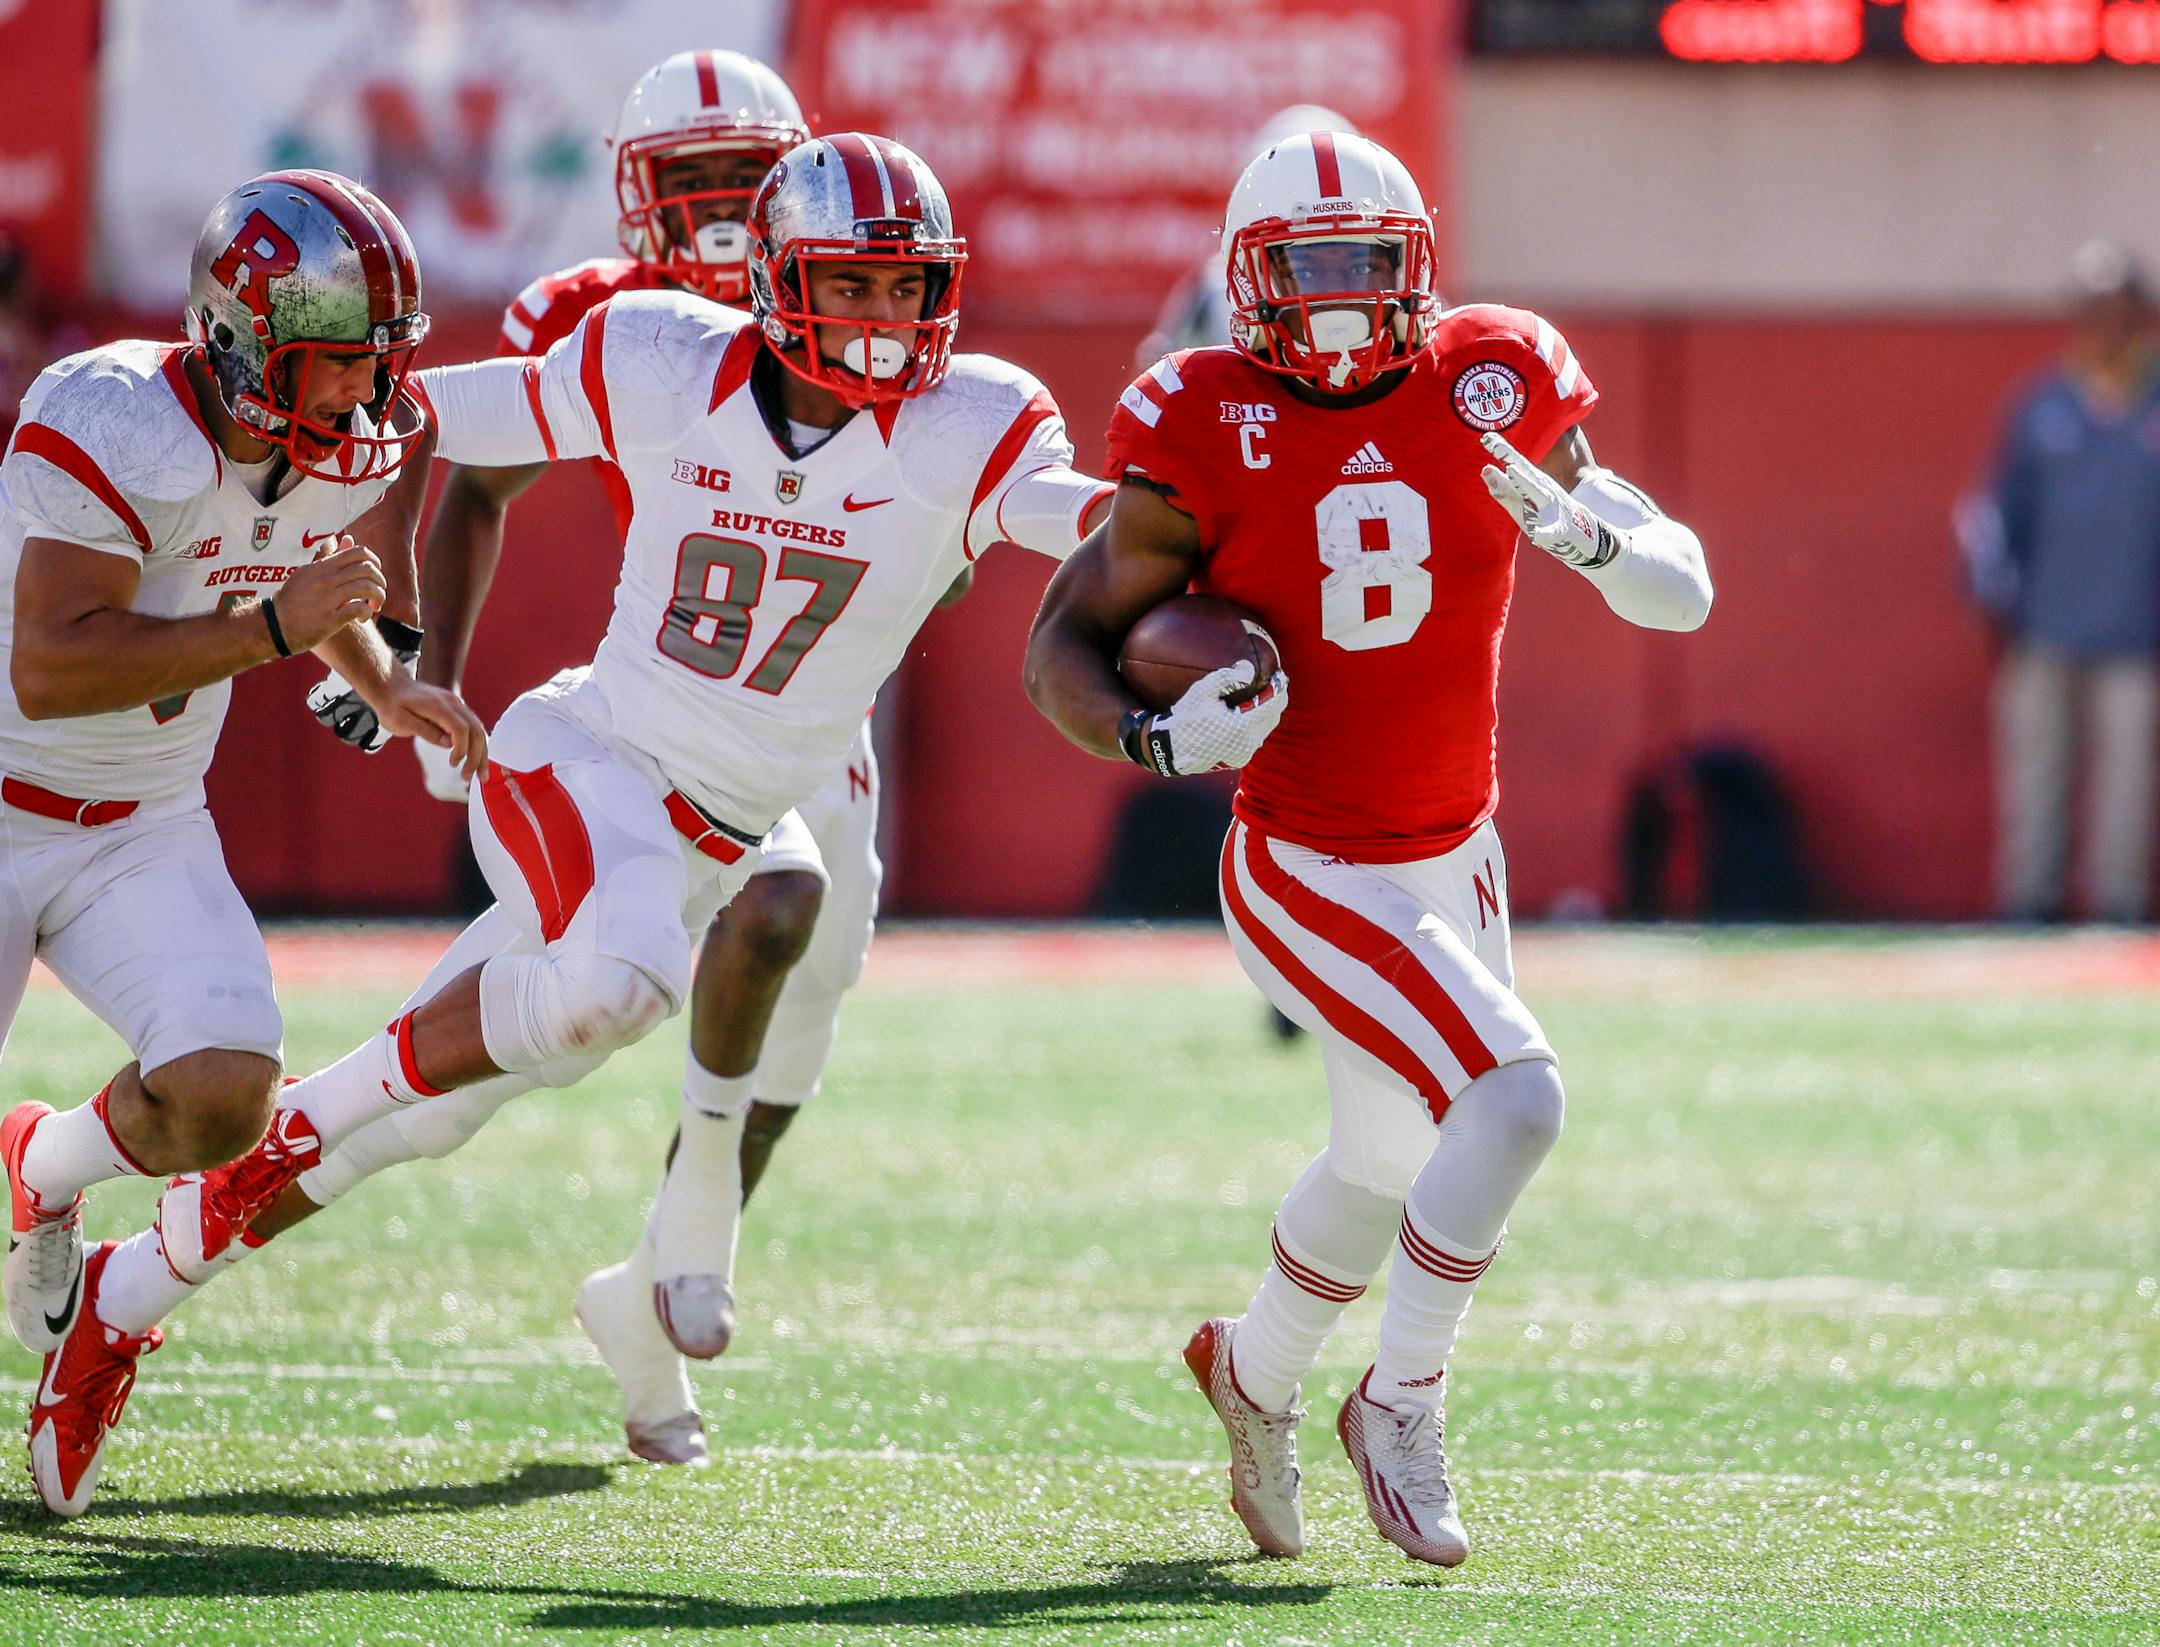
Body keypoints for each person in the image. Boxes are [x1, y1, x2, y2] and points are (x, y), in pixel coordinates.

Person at [34, 131, 1113, 1514]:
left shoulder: (974, 420)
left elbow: (1067, 517)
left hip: (714, 825)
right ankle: (297, 1149)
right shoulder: (668, 359)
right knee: (618, 981)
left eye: (909, 292)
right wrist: (404, 643)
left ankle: (131, 1284)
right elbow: (419, 420)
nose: (886, 321)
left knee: (424, 1123)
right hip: (585, 754)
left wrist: (1184, 528)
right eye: (855, 285)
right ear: (780, 280)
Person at [1025, 132, 1711, 1567]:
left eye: (1365, 268)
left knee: (1387, 1155)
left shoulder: (1495, 372)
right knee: (1515, 1103)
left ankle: (1255, 1371)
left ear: (1418, 269)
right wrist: (1152, 742)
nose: (1339, 305)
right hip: (1308, 860)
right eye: (1308, 271)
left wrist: (1582, 537)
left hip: (1458, 845)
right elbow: (1062, 646)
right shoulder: (1199, 412)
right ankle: (1399, 1398)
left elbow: (1683, 591)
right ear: (1248, 284)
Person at [300, 49, 912, 1465]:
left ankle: (655, 1279)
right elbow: (471, 476)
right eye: (694, 186)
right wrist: (421, 665)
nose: (720, 215)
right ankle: (276, 1155)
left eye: (748, 183)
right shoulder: (610, 322)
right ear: (638, 200)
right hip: (658, 715)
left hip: (814, 712)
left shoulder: (871, 310)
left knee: (804, 998)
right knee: (530, 1022)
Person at [0, 169, 489, 1513]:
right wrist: (282, 628)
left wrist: (382, 677)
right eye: (333, 363)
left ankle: (43, 1164)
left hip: (145, 815)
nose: (359, 396)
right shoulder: (109, 414)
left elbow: (296, 556)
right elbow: (51, 663)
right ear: (233, 334)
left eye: (377, 364)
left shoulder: (364, 432)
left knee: (223, 1095)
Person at [1960, 241, 2160, 924]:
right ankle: (2029, 902)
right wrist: (1994, 590)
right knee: (2037, 771)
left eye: (2120, 308)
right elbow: (1998, 510)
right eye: (2094, 309)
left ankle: (2119, 904)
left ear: (2144, 314)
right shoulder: (2042, 403)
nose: (2107, 324)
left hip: (2139, 628)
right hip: (2043, 623)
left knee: (2128, 777)